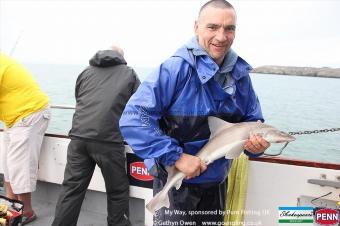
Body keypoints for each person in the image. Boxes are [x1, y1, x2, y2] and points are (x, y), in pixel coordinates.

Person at [119, 0, 270, 225]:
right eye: (213, 27)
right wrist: (176, 156)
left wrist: (255, 147)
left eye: (229, 29)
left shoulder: (240, 76)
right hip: (176, 181)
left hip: (216, 183)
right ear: (196, 27)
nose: (221, 36)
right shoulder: (174, 70)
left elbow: (251, 122)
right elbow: (134, 118)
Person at [52, 46, 140, 226]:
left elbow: (79, 98)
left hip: (78, 138)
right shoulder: (129, 73)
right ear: (121, 57)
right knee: (117, 190)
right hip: (108, 140)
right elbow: (139, 104)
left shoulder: (85, 72)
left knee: (71, 189)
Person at [0, 53, 51, 224]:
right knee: (7, 162)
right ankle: (10, 204)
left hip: (29, 113)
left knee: (19, 164)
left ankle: (26, 211)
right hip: (12, 118)